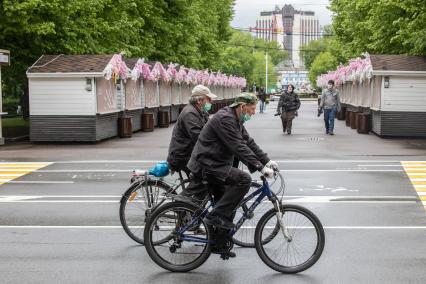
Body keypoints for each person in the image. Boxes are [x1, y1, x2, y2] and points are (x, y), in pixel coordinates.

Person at [187, 93, 278, 231]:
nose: (254, 113)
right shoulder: (225, 119)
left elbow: (248, 141)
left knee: (229, 204)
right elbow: (238, 147)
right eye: (252, 109)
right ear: (242, 107)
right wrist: (261, 167)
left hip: (216, 163)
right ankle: (214, 217)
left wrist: (267, 160)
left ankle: (220, 244)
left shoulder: (235, 118)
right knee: (244, 179)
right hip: (207, 164)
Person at [167, 85, 217, 175]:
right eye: (208, 99)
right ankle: (193, 189)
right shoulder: (189, 113)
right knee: (205, 175)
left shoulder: (201, 111)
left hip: (190, 152)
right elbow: (199, 137)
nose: (211, 101)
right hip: (182, 156)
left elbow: (210, 129)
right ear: (199, 100)